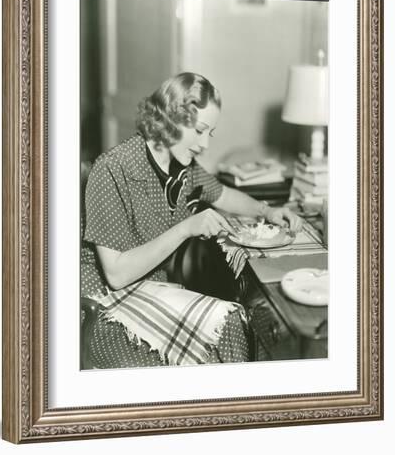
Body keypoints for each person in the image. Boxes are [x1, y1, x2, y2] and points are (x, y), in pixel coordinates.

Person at [82, 72, 302, 369]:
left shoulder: (181, 168)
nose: (205, 144)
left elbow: (223, 195)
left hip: (150, 290)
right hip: (103, 306)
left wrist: (267, 212)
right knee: (227, 334)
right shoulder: (112, 169)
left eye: (210, 133)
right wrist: (186, 228)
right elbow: (117, 275)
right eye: (199, 130)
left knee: (241, 327)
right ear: (170, 118)